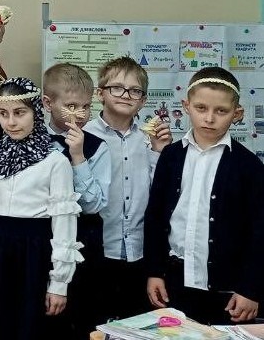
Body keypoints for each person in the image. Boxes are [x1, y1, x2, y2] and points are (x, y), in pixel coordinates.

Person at [0, 77, 81, 340]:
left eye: (19, 113)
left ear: (36, 111)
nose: (11, 122)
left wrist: (59, 284)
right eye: (3, 114)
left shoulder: (55, 161)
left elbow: (64, 224)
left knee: (27, 327)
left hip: (33, 252)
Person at [145, 68, 264, 325]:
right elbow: (155, 217)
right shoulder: (170, 157)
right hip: (174, 282)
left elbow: (259, 232)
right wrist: (155, 271)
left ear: (237, 114)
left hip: (228, 290)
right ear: (186, 106)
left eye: (221, 111)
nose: (209, 118)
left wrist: (250, 289)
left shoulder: (249, 166)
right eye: (201, 108)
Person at [84, 57, 171, 321]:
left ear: (143, 101)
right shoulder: (83, 136)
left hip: (139, 254)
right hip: (97, 252)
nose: (125, 95)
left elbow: (160, 196)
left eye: (134, 91)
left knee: (136, 326)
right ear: (100, 93)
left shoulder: (149, 139)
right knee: (95, 325)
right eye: (117, 88)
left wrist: (159, 152)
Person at [41, 62, 113, 338]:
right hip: (42, 241)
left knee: (81, 321)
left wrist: (78, 157)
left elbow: (93, 205)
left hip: (83, 246)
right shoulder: (32, 140)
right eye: (71, 106)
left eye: (85, 106)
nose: (80, 114)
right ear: (48, 103)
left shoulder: (97, 147)